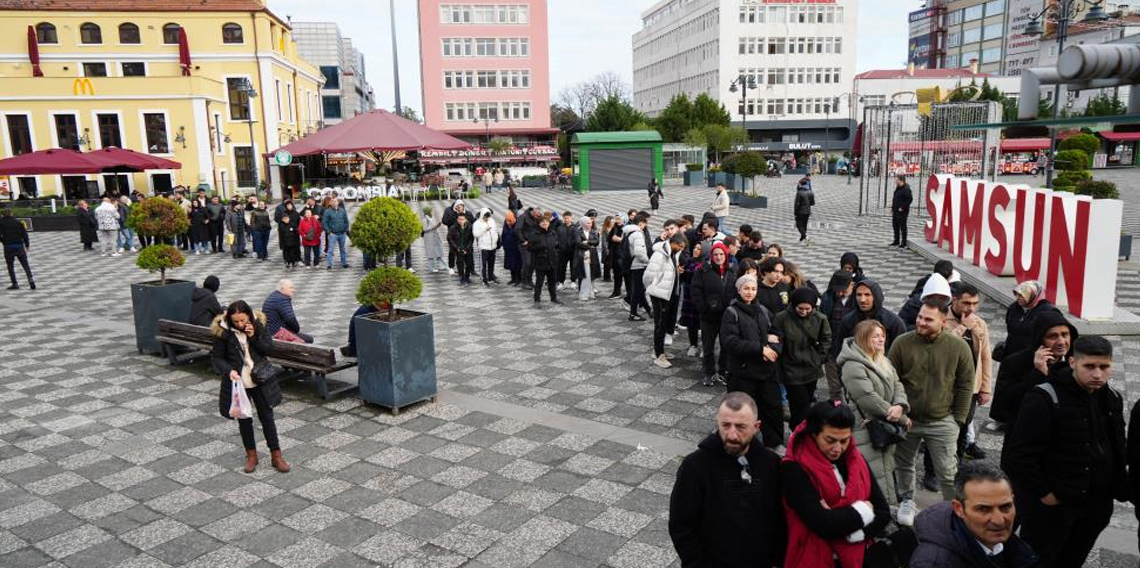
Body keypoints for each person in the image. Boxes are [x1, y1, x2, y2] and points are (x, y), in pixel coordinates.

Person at [1002, 335, 1127, 568]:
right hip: (1054, 508)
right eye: (1089, 366)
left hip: (1095, 505)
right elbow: (1018, 455)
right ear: (1072, 363)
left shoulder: (1112, 398)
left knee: (1072, 560)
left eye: (1104, 367)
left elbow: (1117, 446)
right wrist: (1046, 494)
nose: (1097, 374)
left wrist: (1116, 487)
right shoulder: (1044, 397)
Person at [668, 392, 784, 568]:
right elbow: (681, 526)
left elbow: (780, 519)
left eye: (740, 427)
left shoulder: (772, 463)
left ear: (757, 426)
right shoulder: (695, 466)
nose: (732, 435)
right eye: (726, 425)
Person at [890, 300, 976, 526]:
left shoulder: (958, 347)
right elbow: (890, 381)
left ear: (943, 322)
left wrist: (958, 420)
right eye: (920, 317)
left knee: (947, 472)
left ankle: (953, 510)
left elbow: (966, 384)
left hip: (943, 421)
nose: (920, 322)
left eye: (928, 319)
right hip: (908, 420)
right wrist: (899, 414)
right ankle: (907, 500)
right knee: (904, 464)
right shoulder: (902, 343)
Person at [781, 401, 891, 568]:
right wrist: (864, 509)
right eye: (830, 440)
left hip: (856, 556)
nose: (838, 448)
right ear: (813, 434)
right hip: (812, 558)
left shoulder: (856, 461)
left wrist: (853, 532)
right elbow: (824, 524)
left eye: (844, 441)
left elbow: (883, 513)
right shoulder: (794, 468)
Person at [910, 462, 1039, 568]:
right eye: (984, 509)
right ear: (959, 509)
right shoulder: (934, 562)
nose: (999, 521)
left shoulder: (1000, 541)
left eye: (1005, 507)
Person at [210, 300, 289, 474]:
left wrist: (253, 337)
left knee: (267, 417)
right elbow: (217, 357)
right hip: (238, 383)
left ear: (249, 316)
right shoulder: (223, 332)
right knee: (244, 419)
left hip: (260, 378)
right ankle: (251, 456)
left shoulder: (257, 324)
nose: (239, 324)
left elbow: (268, 349)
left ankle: (276, 456)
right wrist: (228, 370)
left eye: (243, 320)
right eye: (236, 321)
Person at [838, 319, 909, 503]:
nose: (881, 339)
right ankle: (880, 512)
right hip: (866, 428)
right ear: (863, 338)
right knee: (873, 474)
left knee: (885, 470)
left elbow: (897, 384)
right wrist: (899, 418)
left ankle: (887, 508)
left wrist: (900, 406)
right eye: (875, 336)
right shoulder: (852, 365)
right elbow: (868, 398)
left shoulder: (882, 359)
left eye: (882, 335)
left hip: (885, 422)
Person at [720, 273, 784, 450]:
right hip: (743, 372)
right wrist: (761, 348)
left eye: (753, 288)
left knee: (772, 408)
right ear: (739, 290)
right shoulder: (731, 312)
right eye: (746, 288)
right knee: (742, 411)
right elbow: (730, 342)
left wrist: (772, 351)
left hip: (766, 370)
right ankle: (739, 443)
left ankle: (775, 442)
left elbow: (777, 334)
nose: (750, 292)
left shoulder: (763, 310)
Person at [990, 309, 1077, 426]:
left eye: (1065, 335)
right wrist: (1038, 373)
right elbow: (1006, 402)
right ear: (1040, 339)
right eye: (1053, 336)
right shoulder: (1014, 362)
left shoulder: (1077, 361)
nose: (1061, 342)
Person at [944, 282, 992, 460]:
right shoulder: (942, 319)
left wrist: (985, 388)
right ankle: (935, 468)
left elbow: (985, 357)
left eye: (975, 303)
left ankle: (957, 463)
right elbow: (943, 348)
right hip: (946, 385)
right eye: (966, 303)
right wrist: (963, 327)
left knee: (964, 426)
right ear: (954, 300)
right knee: (944, 427)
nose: (971, 308)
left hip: (970, 386)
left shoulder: (980, 323)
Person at [775, 287, 831, 429]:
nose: (804, 312)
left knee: (807, 401)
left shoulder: (820, 319)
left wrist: (820, 358)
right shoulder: (782, 318)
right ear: (794, 305)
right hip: (790, 368)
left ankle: (800, 429)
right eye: (801, 308)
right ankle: (799, 430)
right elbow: (777, 339)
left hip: (811, 367)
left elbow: (826, 339)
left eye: (808, 309)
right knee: (799, 403)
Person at [691, 241, 736, 387]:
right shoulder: (703, 270)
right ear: (711, 255)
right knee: (708, 346)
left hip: (727, 316)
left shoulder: (732, 270)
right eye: (715, 254)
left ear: (726, 255)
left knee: (726, 346)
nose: (718, 257)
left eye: (721, 254)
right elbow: (695, 291)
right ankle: (708, 373)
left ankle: (723, 372)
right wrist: (703, 308)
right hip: (708, 316)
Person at [832, 278, 907, 360]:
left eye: (867, 295)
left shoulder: (894, 322)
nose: (862, 300)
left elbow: (901, 353)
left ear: (876, 296)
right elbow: (839, 350)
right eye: (859, 295)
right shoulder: (847, 321)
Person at [645, 232, 686, 368]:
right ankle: (658, 354)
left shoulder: (674, 253)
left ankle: (659, 350)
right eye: (679, 246)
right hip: (660, 294)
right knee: (660, 324)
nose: (681, 249)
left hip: (670, 293)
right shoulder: (660, 254)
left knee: (667, 323)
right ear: (673, 243)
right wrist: (652, 288)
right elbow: (648, 276)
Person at [1001, 280, 1059, 359]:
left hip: (1032, 357)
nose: (1018, 297)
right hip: (1012, 354)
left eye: (1022, 295)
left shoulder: (1047, 311)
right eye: (1017, 294)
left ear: (1034, 295)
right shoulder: (1014, 307)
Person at [820, 270, 855, 400]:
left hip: (852, 350)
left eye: (844, 291)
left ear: (852, 285)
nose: (840, 293)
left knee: (852, 386)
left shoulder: (859, 299)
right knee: (834, 387)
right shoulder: (828, 298)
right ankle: (836, 411)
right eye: (837, 290)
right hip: (832, 348)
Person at [262, 279, 313, 343]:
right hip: (277, 334)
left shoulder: (274, 295)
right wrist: (296, 330)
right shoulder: (282, 300)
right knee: (309, 339)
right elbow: (290, 319)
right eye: (291, 288)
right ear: (282, 288)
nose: (293, 290)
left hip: (270, 331)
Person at [623, 212, 652, 321]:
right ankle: (633, 313)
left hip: (632, 264)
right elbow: (639, 252)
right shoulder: (638, 234)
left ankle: (648, 310)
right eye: (645, 224)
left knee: (639, 290)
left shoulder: (629, 232)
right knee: (637, 290)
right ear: (641, 223)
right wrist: (648, 261)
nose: (645, 227)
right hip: (638, 264)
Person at [527, 214, 560, 306]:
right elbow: (529, 247)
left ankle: (554, 298)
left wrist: (556, 252)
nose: (545, 223)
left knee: (552, 282)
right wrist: (540, 246)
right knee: (539, 283)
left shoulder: (552, 233)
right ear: (539, 224)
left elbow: (557, 245)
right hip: (541, 262)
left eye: (546, 222)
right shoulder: (535, 234)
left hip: (552, 261)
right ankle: (537, 300)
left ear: (549, 223)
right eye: (542, 222)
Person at [0, 208, 34, 290]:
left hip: (8, 247)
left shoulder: (0, 222)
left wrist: (3, 241)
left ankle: (15, 284)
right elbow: (24, 234)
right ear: (11, 213)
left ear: (3, 214)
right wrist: (27, 245)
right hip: (19, 246)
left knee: (10, 266)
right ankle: (31, 281)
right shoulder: (18, 222)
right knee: (25, 264)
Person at [571, 216, 600, 301]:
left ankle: (590, 292)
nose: (590, 224)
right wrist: (591, 245)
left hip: (592, 256)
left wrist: (587, 242)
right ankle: (583, 294)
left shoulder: (593, 231)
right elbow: (578, 243)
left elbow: (597, 242)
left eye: (590, 223)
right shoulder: (578, 232)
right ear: (583, 223)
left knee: (591, 274)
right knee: (585, 275)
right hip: (582, 256)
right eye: (588, 223)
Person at [472, 207, 499, 286]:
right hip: (483, 247)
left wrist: (496, 239)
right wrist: (484, 230)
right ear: (481, 215)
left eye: (488, 217)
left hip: (492, 246)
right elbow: (475, 234)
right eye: (485, 217)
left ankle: (490, 277)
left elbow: (495, 231)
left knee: (491, 263)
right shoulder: (477, 223)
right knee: (483, 264)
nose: (486, 219)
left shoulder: (492, 221)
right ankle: (484, 280)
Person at [447, 211, 475, 286]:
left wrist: (467, 249)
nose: (461, 221)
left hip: (467, 249)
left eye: (462, 219)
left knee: (469, 264)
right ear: (457, 219)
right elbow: (449, 238)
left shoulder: (470, 227)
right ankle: (462, 279)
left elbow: (471, 239)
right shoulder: (453, 227)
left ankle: (467, 277)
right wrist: (456, 248)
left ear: (466, 219)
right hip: (458, 249)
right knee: (460, 265)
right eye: (459, 219)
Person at [321, 197, 350, 269]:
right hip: (333, 234)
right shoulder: (327, 211)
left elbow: (346, 221)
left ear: (338, 202)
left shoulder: (342, 211)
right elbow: (324, 223)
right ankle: (329, 264)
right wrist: (329, 231)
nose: (334, 202)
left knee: (342, 249)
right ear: (330, 203)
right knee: (330, 250)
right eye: (333, 201)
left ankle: (344, 263)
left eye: (336, 201)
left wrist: (345, 229)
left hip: (342, 233)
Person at [276, 201, 301, 269]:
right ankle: (287, 262)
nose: (289, 206)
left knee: (294, 250)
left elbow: (299, 222)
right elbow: (280, 235)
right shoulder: (283, 217)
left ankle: (296, 260)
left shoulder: (296, 213)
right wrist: (281, 244)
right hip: (285, 240)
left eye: (290, 205)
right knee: (286, 252)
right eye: (288, 205)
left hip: (293, 238)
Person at [421, 206, 446, 274]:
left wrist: (437, 226)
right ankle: (432, 268)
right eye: (431, 210)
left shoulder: (432, 217)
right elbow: (425, 229)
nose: (433, 211)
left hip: (435, 237)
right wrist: (435, 226)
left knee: (439, 251)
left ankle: (442, 266)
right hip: (429, 238)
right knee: (430, 253)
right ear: (428, 212)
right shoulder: (424, 219)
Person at [555, 211, 576, 289]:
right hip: (562, 251)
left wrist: (573, 245)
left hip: (573, 251)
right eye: (565, 218)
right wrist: (559, 245)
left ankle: (573, 281)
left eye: (567, 218)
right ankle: (561, 282)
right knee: (561, 267)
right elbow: (557, 238)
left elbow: (576, 238)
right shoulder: (560, 228)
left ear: (571, 218)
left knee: (573, 266)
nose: (566, 219)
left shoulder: (575, 227)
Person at [891, 175, 913, 247]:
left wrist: (902, 207)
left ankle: (903, 242)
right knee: (895, 225)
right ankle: (896, 240)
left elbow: (909, 200)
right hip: (895, 210)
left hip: (902, 211)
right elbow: (895, 198)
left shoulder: (906, 189)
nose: (895, 181)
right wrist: (893, 208)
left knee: (902, 227)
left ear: (901, 180)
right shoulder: (898, 188)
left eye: (897, 180)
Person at [606, 215, 626, 298]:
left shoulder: (626, 228)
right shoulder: (615, 228)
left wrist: (619, 239)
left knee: (626, 276)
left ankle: (629, 293)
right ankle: (616, 291)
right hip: (615, 254)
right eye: (617, 219)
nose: (618, 221)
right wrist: (612, 238)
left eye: (619, 219)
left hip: (624, 255)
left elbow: (627, 241)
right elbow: (609, 239)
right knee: (617, 274)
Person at [501, 210, 522, 285]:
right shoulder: (506, 223)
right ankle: (513, 279)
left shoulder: (518, 224)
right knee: (510, 264)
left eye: (510, 220)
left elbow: (520, 236)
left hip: (516, 248)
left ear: (513, 218)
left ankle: (519, 279)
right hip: (508, 248)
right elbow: (503, 234)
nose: (508, 222)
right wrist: (503, 244)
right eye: (507, 220)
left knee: (517, 265)